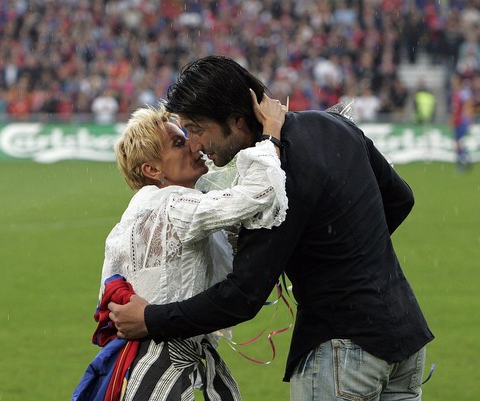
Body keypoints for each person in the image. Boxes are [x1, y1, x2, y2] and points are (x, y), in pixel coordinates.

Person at [108, 55, 435, 401]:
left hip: (343, 353)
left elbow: (242, 297)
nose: (195, 143)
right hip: (406, 340)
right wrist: (345, 254)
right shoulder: (333, 125)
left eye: (198, 129)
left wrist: (151, 319)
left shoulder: (274, 180)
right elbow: (400, 199)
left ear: (235, 121)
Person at [73, 92, 288, 401]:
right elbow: (260, 193)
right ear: (152, 170)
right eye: (177, 143)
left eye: (186, 136)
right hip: (159, 360)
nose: (192, 145)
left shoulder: (143, 211)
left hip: (144, 358)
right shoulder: (171, 203)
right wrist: (271, 134)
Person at [450, 74, 474, 172]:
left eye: (454, 81)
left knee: (458, 142)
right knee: (458, 143)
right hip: (457, 121)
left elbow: (468, 105)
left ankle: (463, 162)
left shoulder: (463, 93)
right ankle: (466, 159)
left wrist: (468, 118)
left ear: (458, 81)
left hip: (461, 121)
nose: (453, 83)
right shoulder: (455, 93)